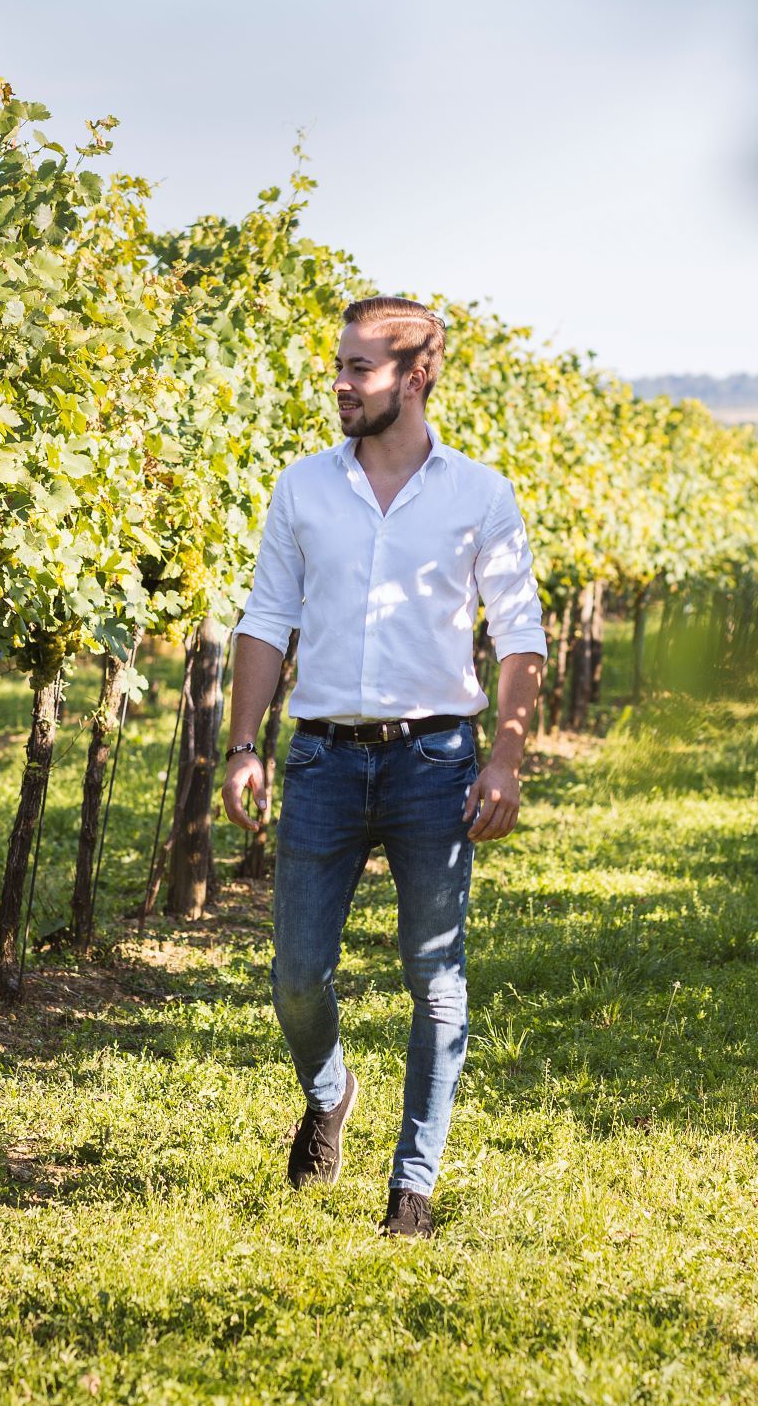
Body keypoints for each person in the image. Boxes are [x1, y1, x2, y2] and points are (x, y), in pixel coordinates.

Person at [221, 295, 547, 1238]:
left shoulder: (478, 493)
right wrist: (245, 746)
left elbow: (519, 636)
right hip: (322, 756)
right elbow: (264, 618)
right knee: (294, 975)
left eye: (359, 368)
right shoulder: (303, 488)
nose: (339, 382)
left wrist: (507, 759)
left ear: (414, 377)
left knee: (433, 976)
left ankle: (413, 1183)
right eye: (338, 364)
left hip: (435, 760)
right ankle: (329, 1092)